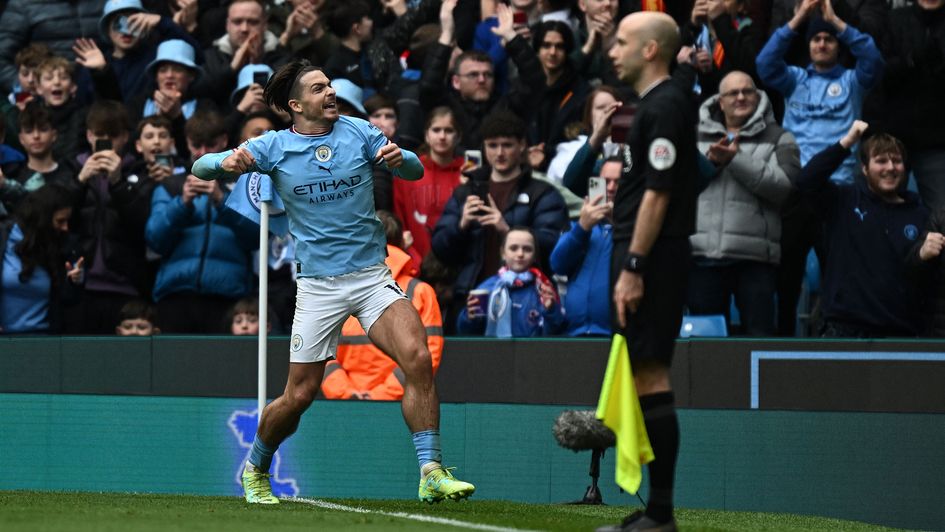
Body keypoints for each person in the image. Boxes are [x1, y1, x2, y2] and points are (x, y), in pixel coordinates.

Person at [191, 60, 475, 505]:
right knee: (299, 395)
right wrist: (226, 160)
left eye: (330, 86)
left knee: (418, 358)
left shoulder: (359, 131)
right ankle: (255, 469)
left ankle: (431, 470)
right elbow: (200, 168)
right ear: (295, 104)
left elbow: (416, 171)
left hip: (371, 278)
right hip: (319, 287)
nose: (330, 93)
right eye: (320, 87)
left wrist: (404, 160)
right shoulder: (273, 146)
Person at [596, 11, 699, 532]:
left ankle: (660, 516)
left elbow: (658, 193)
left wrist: (634, 265)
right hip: (643, 252)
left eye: (622, 42)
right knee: (642, 375)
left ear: (651, 49)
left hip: (652, 257)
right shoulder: (653, 106)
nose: (612, 50)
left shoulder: (666, 106)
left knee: (652, 372)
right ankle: (656, 513)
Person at [431, 110, 569, 334]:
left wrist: (507, 229)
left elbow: (556, 246)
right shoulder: (466, 192)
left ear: (522, 145)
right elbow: (440, 249)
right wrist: (462, 225)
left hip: (527, 301)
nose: (500, 153)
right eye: (493, 145)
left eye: (507, 145)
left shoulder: (541, 193)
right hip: (475, 297)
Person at [688, 71, 799, 336]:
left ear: (758, 96)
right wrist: (712, 163)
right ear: (720, 101)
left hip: (755, 260)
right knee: (706, 345)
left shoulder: (781, 137)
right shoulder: (692, 136)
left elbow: (785, 188)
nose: (741, 97)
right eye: (732, 93)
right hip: (702, 256)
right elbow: (677, 187)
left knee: (759, 340)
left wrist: (735, 159)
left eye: (747, 91)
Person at [795, 120, 928, 338]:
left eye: (897, 161)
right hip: (843, 328)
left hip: (900, 333)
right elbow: (806, 181)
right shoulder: (843, 200)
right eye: (881, 161)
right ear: (865, 169)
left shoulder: (920, 214)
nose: (890, 168)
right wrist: (847, 142)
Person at [322, 210, 444, 400]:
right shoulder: (420, 292)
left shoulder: (336, 291)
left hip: (346, 406)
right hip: (402, 406)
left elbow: (321, 354)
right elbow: (428, 355)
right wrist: (381, 395)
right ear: (402, 243)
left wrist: (347, 394)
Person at [550, 157, 620, 337]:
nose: (611, 188)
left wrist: (617, 222)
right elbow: (557, 264)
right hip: (576, 334)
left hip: (618, 335)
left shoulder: (637, 230)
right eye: (605, 182)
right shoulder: (581, 228)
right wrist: (583, 227)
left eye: (618, 182)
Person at [0, 185, 84, 334]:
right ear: (43, 218)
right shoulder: (4, 236)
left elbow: (68, 301)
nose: (65, 227)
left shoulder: (64, 245)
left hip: (43, 340)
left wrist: (74, 282)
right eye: (60, 221)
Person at [457, 226, 564, 336]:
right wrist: (469, 318)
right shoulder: (488, 287)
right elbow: (467, 333)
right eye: (513, 248)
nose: (520, 254)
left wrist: (551, 310)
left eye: (527, 249)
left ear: (535, 256)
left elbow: (553, 333)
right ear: (503, 253)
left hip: (531, 351)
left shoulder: (542, 289)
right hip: (493, 351)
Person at [393, 106, 464, 262]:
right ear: (426, 135)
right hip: (416, 260)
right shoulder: (409, 171)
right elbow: (400, 219)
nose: (442, 136)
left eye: (449, 130)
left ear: (458, 136)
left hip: (457, 260)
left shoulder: (466, 173)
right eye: (436, 130)